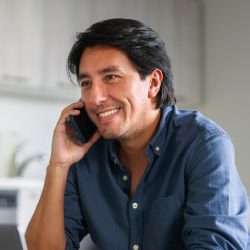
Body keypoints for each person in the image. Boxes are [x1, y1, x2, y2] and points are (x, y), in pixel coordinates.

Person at [25, 18, 249, 250]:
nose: (94, 98)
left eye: (111, 77)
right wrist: (58, 166)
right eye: (86, 82)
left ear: (153, 83)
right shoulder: (84, 153)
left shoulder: (203, 143)